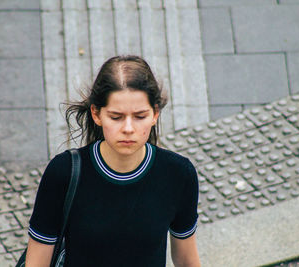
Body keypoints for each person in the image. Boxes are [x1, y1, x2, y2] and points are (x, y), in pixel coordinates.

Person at [25, 55, 201, 266]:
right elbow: (37, 260)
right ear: (96, 114)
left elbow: (186, 259)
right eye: (116, 117)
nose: (128, 128)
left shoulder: (178, 174)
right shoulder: (63, 172)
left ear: (155, 114)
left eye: (140, 116)